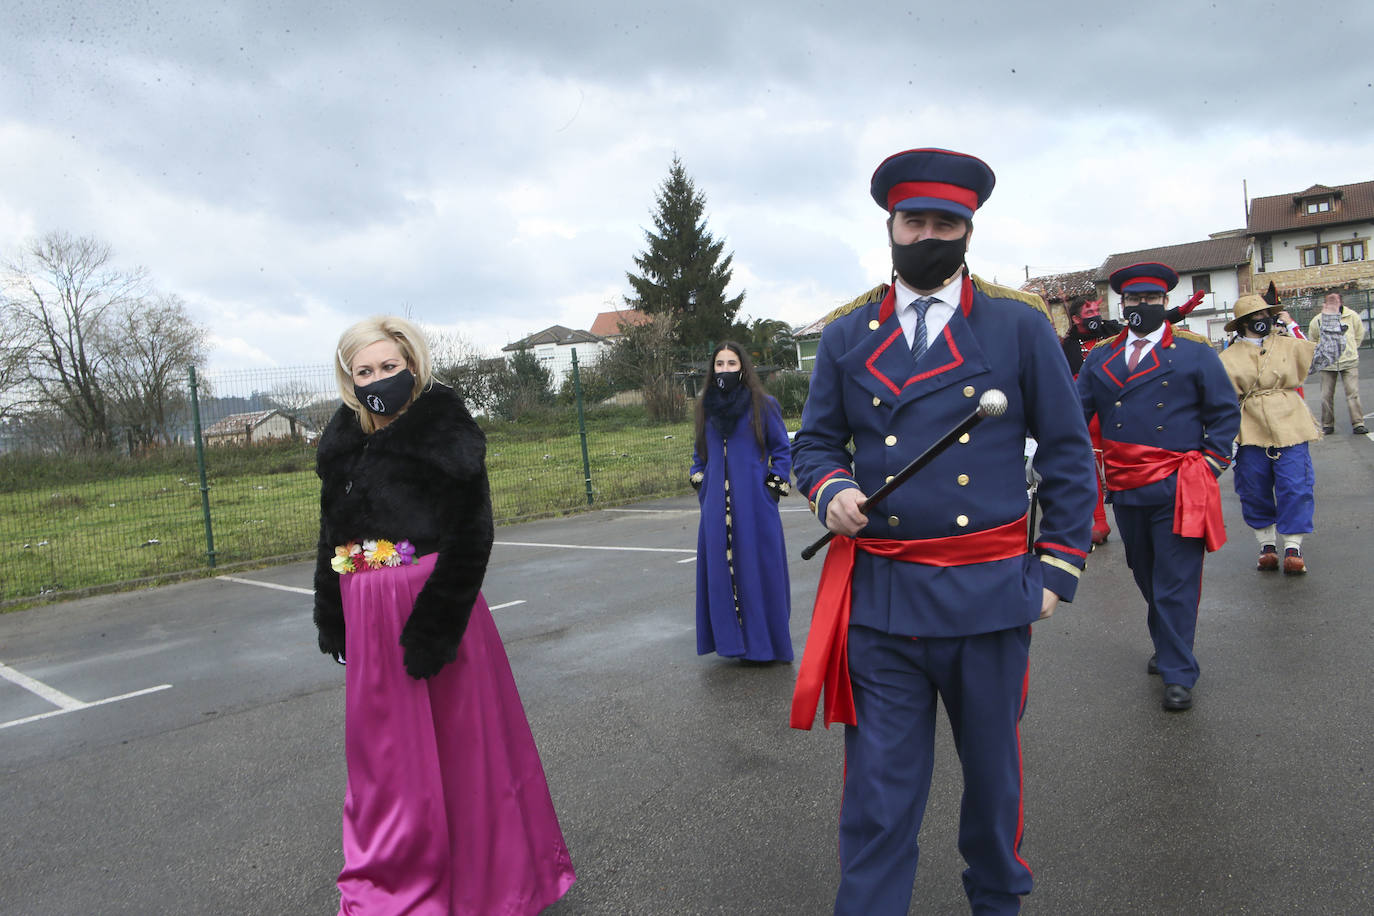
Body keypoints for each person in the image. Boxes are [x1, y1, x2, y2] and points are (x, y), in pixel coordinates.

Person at [789, 147, 1096, 916]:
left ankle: (997, 904)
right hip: (882, 601)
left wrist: (1057, 566)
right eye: (914, 220)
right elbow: (816, 443)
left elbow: (1065, 451)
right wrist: (830, 489)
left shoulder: (1021, 329)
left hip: (989, 599)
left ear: (969, 229)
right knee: (878, 800)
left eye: (946, 222)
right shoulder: (846, 333)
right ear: (889, 226)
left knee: (994, 791)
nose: (929, 234)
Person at [312, 315, 575, 915]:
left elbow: (473, 534)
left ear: (412, 365)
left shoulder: (443, 430)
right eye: (366, 370)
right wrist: (332, 611)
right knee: (385, 762)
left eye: (390, 367)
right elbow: (331, 535)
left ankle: (491, 884)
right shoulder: (342, 443)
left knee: (465, 753)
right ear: (349, 379)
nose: (380, 378)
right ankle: (392, 881)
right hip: (365, 606)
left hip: (433, 608)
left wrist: (434, 627)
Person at [1076, 262, 1240, 712]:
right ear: (1120, 304)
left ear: (1164, 303)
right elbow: (1073, 413)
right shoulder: (1101, 357)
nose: (1141, 307)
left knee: (1175, 580)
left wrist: (1209, 465)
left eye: (1150, 301)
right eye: (1132, 301)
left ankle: (1177, 671)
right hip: (1126, 486)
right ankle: (1170, 643)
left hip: (1179, 484)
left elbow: (1225, 414)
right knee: (1145, 574)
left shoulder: (1194, 353)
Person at [689, 341, 794, 662]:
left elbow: (782, 449)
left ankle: (764, 647)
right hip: (715, 510)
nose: (725, 370)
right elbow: (699, 454)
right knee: (721, 575)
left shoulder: (764, 405)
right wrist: (701, 480)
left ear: (743, 367)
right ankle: (733, 644)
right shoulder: (706, 407)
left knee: (760, 572)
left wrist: (772, 488)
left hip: (755, 506)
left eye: (731, 364)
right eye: (719, 365)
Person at [1218, 295, 1320, 575]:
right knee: (1253, 487)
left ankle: (1293, 546)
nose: (1262, 320)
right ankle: (1266, 545)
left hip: (1291, 422)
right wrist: (1225, 438)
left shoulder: (1289, 344)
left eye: (1265, 314)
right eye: (1255, 316)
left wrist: (1300, 322)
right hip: (1249, 426)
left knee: (1295, 484)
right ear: (1242, 323)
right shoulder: (1227, 358)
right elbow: (1220, 399)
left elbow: (1326, 356)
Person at [1307, 292, 1368, 435]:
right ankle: (1327, 424)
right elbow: (1313, 339)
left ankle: (1358, 423)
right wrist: (1321, 356)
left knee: (1353, 393)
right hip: (1328, 364)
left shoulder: (1352, 316)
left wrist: (1351, 349)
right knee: (1325, 395)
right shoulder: (1317, 320)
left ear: (1341, 302)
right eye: (1329, 301)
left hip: (1349, 361)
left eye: (1335, 300)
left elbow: (1359, 334)